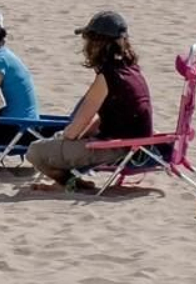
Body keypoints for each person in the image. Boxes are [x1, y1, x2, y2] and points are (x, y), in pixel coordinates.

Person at [26, 11, 153, 187]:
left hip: (119, 148)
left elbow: (77, 126)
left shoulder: (107, 76)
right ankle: (72, 180)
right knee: (58, 140)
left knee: (34, 151)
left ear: (97, 43)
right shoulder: (132, 69)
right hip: (139, 147)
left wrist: (69, 136)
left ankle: (68, 182)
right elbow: (108, 116)